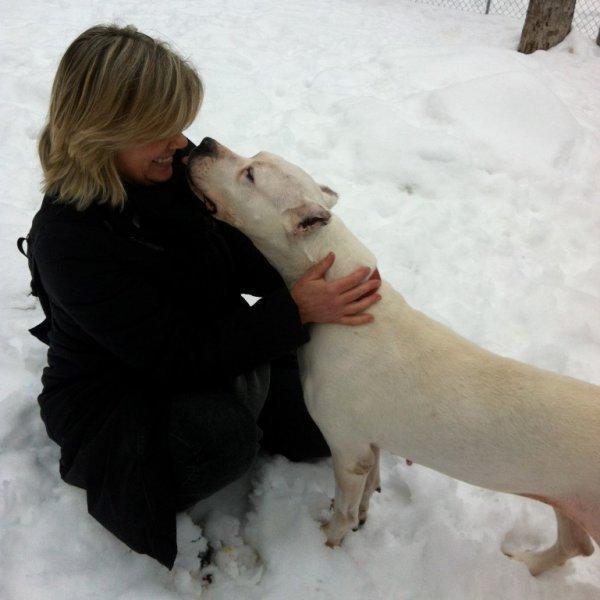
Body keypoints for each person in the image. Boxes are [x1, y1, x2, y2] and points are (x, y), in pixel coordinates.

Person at [19, 24, 382, 569]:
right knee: (220, 442)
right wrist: (293, 311)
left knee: (319, 425)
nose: (180, 142)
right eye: (160, 129)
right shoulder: (67, 240)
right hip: (119, 393)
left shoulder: (171, 169)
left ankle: (244, 403)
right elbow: (171, 356)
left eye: (179, 124)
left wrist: (311, 275)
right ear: (104, 131)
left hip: (210, 341)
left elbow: (235, 251)